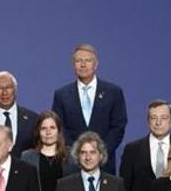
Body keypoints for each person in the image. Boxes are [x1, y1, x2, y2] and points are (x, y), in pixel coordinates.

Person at [51, 44, 128, 173]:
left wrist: (100, 152)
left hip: (104, 163)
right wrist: (77, 152)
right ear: (73, 65)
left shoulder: (113, 92)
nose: (83, 64)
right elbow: (59, 127)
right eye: (78, 61)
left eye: (87, 60)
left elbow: (118, 126)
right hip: (72, 164)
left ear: (96, 64)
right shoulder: (62, 94)